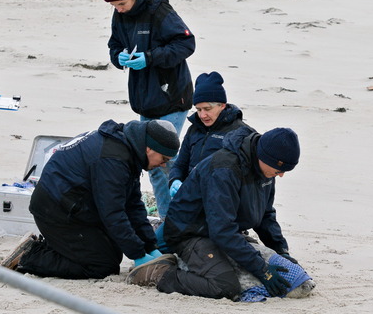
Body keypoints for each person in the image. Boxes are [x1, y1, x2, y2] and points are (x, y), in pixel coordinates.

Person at [126, 126, 301, 301]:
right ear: (264, 156)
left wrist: (281, 251)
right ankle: (159, 273)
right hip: (190, 233)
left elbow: (265, 215)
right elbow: (222, 230)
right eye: (279, 170)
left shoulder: (265, 171)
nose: (281, 176)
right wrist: (262, 270)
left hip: (221, 231)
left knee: (262, 269)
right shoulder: (225, 169)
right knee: (225, 286)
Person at [1, 119, 180, 280]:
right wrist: (138, 254)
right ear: (149, 148)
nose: (163, 164)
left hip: (75, 205)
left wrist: (150, 246)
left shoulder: (127, 147)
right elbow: (113, 213)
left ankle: (58, 247)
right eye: (163, 158)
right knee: (103, 266)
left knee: (113, 252)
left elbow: (133, 204)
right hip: (54, 209)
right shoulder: (113, 159)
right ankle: (30, 255)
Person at [104, 0, 196, 218]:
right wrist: (118, 56)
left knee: (163, 161)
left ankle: (178, 220)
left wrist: (150, 57)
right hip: (145, 101)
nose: (118, 9)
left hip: (172, 98)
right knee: (153, 163)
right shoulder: (120, 13)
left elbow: (186, 43)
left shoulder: (158, 9)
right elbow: (114, 44)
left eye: (121, 4)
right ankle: (170, 219)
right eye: (114, 6)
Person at [168, 71, 250, 198]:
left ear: (222, 105)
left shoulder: (241, 133)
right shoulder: (193, 129)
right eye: (198, 109)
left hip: (221, 200)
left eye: (207, 109)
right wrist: (174, 180)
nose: (202, 115)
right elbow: (180, 164)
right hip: (191, 197)